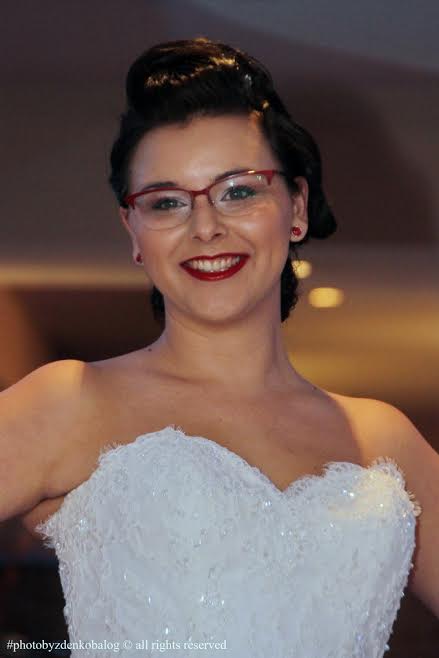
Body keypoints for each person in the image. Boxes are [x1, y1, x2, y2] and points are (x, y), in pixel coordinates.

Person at [1, 36, 438, 657]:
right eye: (166, 202)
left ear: (296, 206)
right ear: (134, 231)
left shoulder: (382, 441)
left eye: (239, 190)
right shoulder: (73, 401)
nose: (205, 226)